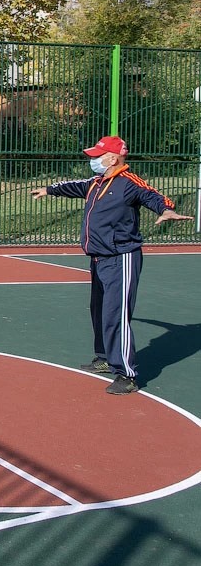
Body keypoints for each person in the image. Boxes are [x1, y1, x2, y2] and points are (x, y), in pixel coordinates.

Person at [31, 135, 192, 395]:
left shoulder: (128, 183)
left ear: (113, 157)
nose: (93, 160)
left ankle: (126, 374)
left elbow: (152, 195)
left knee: (115, 315)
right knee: (99, 310)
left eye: (97, 156)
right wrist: (49, 189)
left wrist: (166, 209)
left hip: (122, 257)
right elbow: (73, 186)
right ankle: (105, 357)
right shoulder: (96, 183)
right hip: (99, 258)